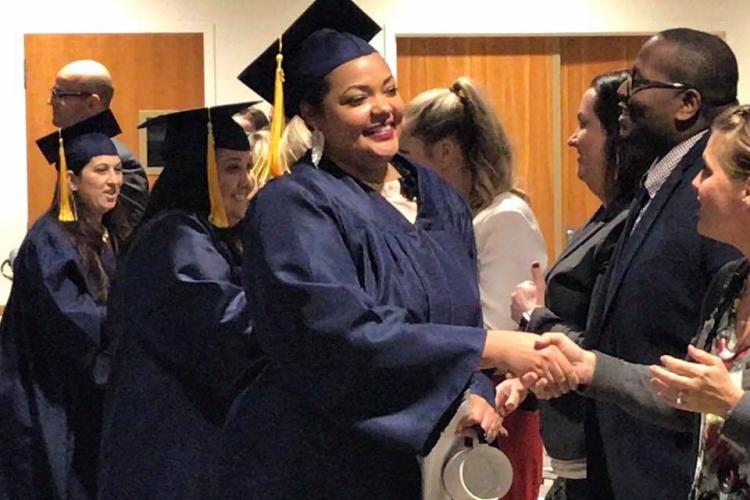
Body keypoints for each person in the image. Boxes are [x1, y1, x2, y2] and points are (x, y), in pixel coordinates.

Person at [222, 0, 577, 497]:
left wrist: (471, 392)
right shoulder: (294, 207)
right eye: (356, 98)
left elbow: (460, 318)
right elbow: (335, 335)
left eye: (389, 89)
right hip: (319, 464)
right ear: (310, 114)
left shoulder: (438, 198)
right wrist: (490, 350)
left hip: (426, 467)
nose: (383, 108)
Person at [535, 103, 750, 500]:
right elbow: (684, 399)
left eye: (707, 172)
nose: (694, 186)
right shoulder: (729, 285)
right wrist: (590, 367)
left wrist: (732, 404)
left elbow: (721, 401)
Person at [97, 103, 262, 499]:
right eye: (231, 168)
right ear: (197, 173)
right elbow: (228, 331)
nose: (246, 182)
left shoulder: (201, 235)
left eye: (247, 166)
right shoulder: (175, 240)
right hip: (170, 448)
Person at [401, 77, 548, 500]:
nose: (401, 171)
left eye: (408, 156)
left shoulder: (503, 218)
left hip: (496, 415)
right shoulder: (460, 219)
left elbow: (493, 324)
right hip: (460, 408)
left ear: (444, 152)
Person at [508, 70, 651, 499]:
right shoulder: (607, 212)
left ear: (618, 138)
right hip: (574, 450)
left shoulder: (628, 223)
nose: (573, 138)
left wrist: (534, 317)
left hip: (603, 452)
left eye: (585, 124)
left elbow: (603, 351)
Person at [0, 111, 123, 499]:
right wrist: (131, 329)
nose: (114, 181)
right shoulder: (49, 241)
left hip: (81, 397)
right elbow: (73, 322)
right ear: (71, 180)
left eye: (118, 170)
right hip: (50, 399)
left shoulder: (102, 237)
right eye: (100, 170)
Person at [50, 59, 149, 250]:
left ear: (92, 103)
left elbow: (122, 241)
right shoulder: (74, 153)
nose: (51, 101)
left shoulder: (121, 162)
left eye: (59, 94)